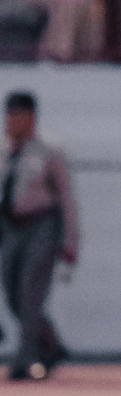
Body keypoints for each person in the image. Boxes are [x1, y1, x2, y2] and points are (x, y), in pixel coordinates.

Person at [1, 91, 78, 380]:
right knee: (12, 294)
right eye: (8, 115)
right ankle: (51, 344)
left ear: (30, 118)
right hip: (10, 227)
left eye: (16, 115)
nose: (11, 122)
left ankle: (25, 360)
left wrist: (70, 240)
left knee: (30, 292)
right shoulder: (3, 150)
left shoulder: (49, 151)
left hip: (42, 225)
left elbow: (67, 198)